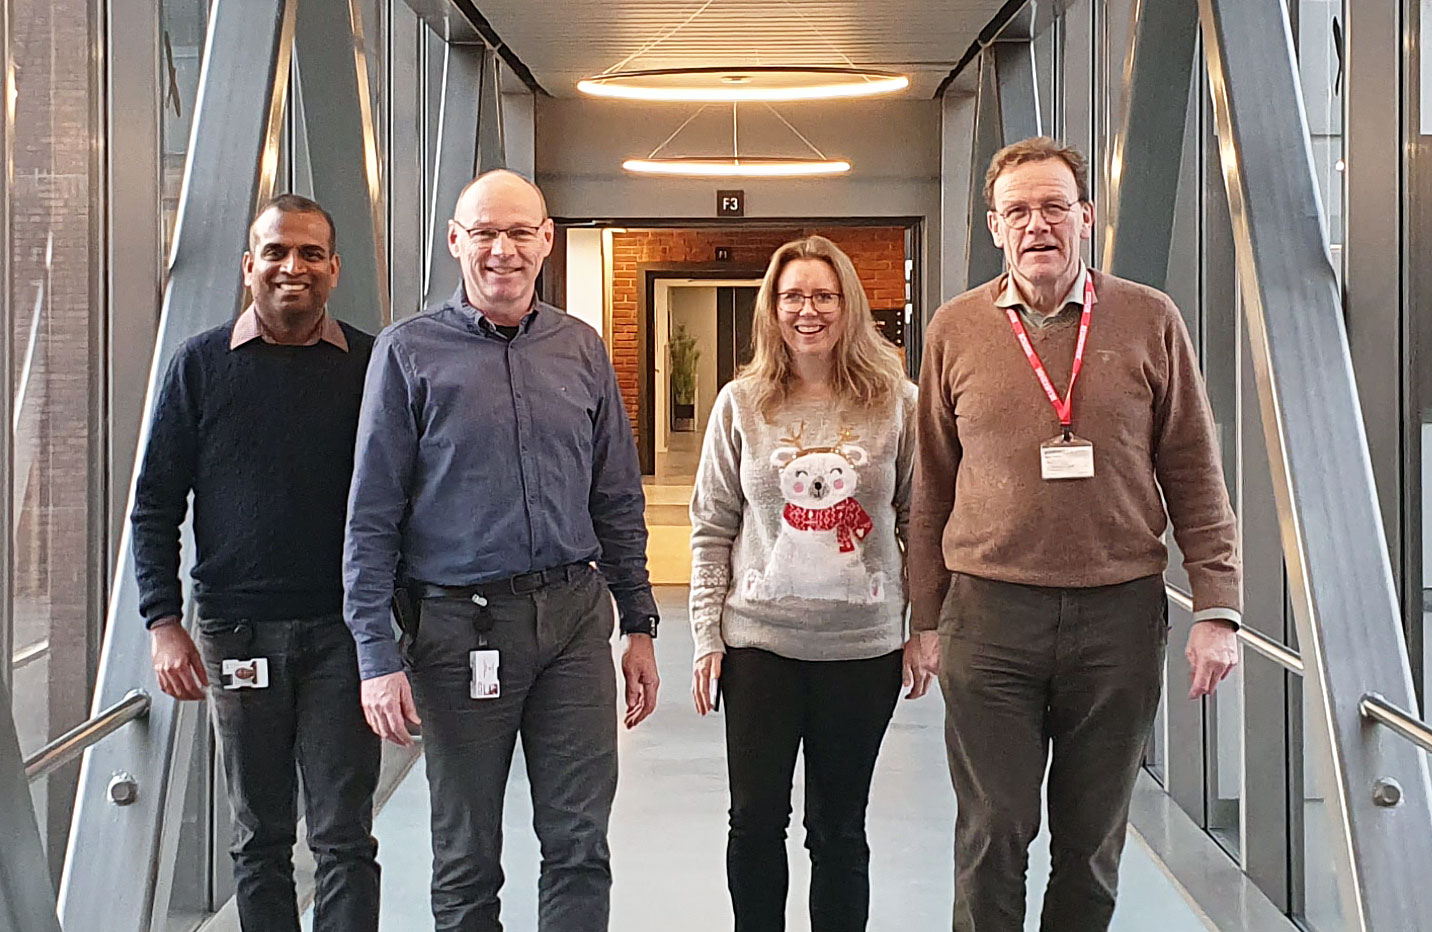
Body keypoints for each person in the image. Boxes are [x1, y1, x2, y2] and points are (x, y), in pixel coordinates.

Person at [910, 137, 1243, 931]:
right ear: (995, 226)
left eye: (1053, 206)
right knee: (993, 831)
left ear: (1085, 218)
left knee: (1090, 843)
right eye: (1017, 210)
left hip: (1117, 617)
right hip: (989, 618)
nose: (1037, 225)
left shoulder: (1147, 319)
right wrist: (923, 620)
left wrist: (1217, 607)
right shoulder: (955, 329)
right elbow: (929, 484)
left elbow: (1195, 470)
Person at [343, 169, 660, 932]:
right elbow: (371, 515)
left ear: (546, 241)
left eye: (520, 232)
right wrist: (375, 654)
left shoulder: (580, 348)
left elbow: (615, 496)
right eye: (485, 232)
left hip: (574, 623)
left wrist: (641, 625)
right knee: (464, 853)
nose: (503, 250)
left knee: (579, 843)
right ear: (455, 241)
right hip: (457, 632)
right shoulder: (407, 353)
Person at [133, 194, 381, 932]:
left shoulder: (372, 366)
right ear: (249, 267)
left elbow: (408, 498)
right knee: (261, 834)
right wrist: (161, 622)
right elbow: (154, 505)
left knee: (343, 833)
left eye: (309, 253)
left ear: (333, 269)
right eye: (275, 252)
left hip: (345, 631)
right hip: (236, 633)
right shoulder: (200, 366)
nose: (291, 267)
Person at [689, 235, 933, 932]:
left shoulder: (898, 404)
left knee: (839, 828)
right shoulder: (742, 404)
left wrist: (923, 629)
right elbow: (712, 527)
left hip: (863, 652)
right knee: (755, 820)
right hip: (760, 647)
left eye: (822, 295)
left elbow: (920, 522)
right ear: (771, 307)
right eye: (792, 295)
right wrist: (707, 637)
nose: (807, 310)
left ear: (847, 305)